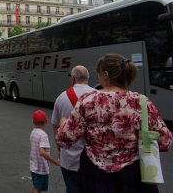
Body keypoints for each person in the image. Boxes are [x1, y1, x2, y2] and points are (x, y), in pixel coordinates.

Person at [56, 53, 173, 193]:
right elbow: (165, 141)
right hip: (133, 176)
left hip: (94, 176)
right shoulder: (141, 102)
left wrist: (63, 124)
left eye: (99, 73)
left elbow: (64, 139)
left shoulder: (88, 101)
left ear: (105, 74)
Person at [51, 65, 95, 193]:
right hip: (93, 159)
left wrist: (59, 149)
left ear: (73, 78)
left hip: (69, 159)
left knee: (72, 188)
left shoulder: (62, 97)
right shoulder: (98, 96)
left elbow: (55, 126)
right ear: (88, 78)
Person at [30, 109, 60, 193]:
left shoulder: (33, 132)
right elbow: (42, 152)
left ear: (33, 121)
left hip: (33, 166)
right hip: (41, 168)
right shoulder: (43, 135)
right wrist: (55, 161)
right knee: (37, 189)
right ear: (46, 121)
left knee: (35, 186)